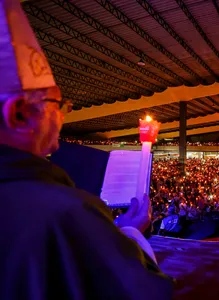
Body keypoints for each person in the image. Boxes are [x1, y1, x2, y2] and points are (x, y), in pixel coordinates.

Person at [0, 0, 173, 299]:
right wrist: (131, 233)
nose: (63, 115)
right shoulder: (67, 211)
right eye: (57, 104)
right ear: (18, 114)